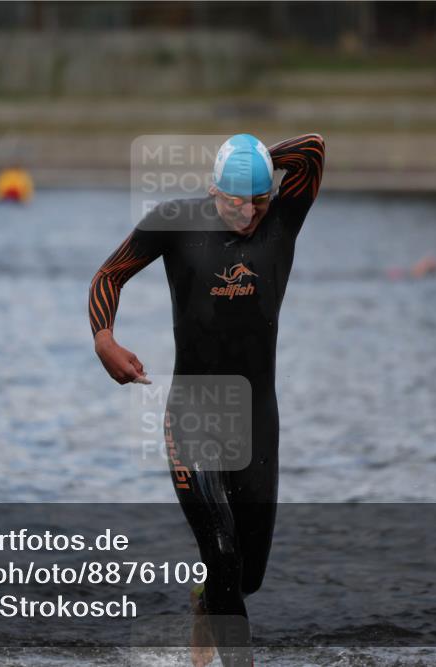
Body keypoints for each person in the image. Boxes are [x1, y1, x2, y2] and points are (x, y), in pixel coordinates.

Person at [89, 133, 324, 666]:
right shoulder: (176, 221)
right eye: (235, 202)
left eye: (258, 202)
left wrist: (261, 165)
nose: (247, 214)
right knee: (221, 554)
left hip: (259, 419)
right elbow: (110, 274)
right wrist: (105, 338)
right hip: (192, 414)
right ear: (213, 191)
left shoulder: (283, 220)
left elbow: (313, 149)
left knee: (247, 577)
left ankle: (205, 605)